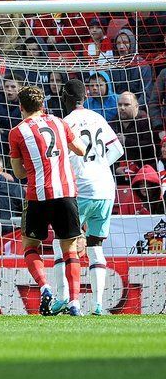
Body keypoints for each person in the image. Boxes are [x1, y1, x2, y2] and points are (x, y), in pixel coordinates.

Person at [8, 84, 87, 317]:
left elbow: (19, 173)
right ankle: (74, 303)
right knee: (69, 249)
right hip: (66, 193)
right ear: (43, 105)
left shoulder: (17, 132)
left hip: (37, 196)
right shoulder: (60, 123)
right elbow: (81, 150)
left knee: (30, 246)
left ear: (20, 106)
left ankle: (45, 286)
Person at [56, 78, 123, 314]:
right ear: (84, 97)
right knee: (95, 246)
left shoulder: (64, 123)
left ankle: (63, 297)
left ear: (65, 97)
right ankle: (97, 304)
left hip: (81, 189)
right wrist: (100, 166)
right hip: (106, 188)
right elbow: (118, 149)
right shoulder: (98, 118)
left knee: (62, 242)